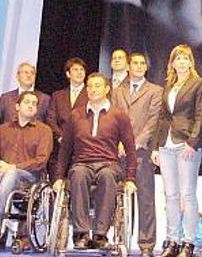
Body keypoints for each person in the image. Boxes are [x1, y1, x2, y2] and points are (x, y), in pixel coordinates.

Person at [53, 72, 138, 250]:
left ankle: (100, 234)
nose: (93, 89)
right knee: (77, 174)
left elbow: (130, 148)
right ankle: (81, 234)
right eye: (90, 86)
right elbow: (66, 149)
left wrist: (130, 179)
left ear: (107, 89)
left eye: (97, 85)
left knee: (107, 176)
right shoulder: (76, 115)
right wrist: (59, 177)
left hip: (109, 163)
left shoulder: (119, 115)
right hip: (82, 163)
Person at [0, 91, 52, 242]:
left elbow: (41, 160)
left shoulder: (44, 131)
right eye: (27, 102)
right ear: (17, 106)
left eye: (34, 104)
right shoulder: (3, 129)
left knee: (11, 175)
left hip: (28, 177)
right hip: (2, 173)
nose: (31, 106)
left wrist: (11, 167)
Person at [153, 44, 202, 257]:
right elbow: (162, 117)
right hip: (166, 145)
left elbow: (201, 115)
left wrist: (192, 143)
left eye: (185, 58)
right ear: (172, 63)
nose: (182, 62)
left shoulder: (198, 83)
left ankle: (189, 242)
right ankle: (172, 241)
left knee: (188, 194)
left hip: (186, 145)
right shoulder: (169, 85)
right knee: (171, 195)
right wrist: (157, 146)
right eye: (178, 58)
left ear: (191, 62)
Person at [112, 52, 163, 257]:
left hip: (141, 152)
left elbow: (153, 121)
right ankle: (120, 242)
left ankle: (146, 245)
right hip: (119, 152)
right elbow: (113, 119)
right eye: (136, 63)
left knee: (145, 199)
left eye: (143, 63)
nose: (140, 66)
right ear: (129, 66)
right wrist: (118, 142)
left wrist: (133, 144)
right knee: (120, 199)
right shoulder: (117, 91)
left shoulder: (155, 90)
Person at [46, 57, 88, 176]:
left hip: (82, 147)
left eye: (82, 70)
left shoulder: (91, 94)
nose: (79, 72)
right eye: (75, 70)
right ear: (68, 74)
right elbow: (50, 119)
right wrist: (60, 136)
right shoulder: (57, 95)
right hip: (60, 146)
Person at [0, 62, 51, 128]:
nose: (29, 75)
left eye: (32, 73)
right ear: (18, 76)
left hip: (34, 137)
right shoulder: (6, 98)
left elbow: (47, 123)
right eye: (26, 72)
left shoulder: (45, 99)